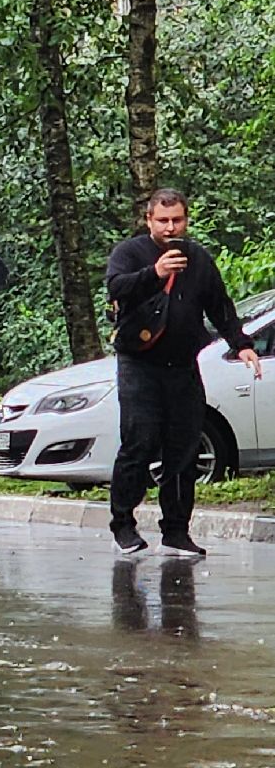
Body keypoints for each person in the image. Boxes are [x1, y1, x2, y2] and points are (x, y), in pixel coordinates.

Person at [104, 188, 262, 557]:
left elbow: (219, 305)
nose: (171, 227)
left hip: (183, 367)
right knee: (139, 442)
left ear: (186, 220)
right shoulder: (130, 253)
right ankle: (123, 524)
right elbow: (115, 287)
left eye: (177, 220)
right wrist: (154, 273)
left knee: (183, 450)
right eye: (163, 221)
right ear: (149, 221)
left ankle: (176, 530)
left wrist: (241, 343)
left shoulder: (198, 258)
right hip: (139, 364)